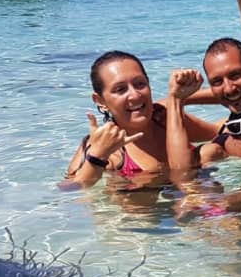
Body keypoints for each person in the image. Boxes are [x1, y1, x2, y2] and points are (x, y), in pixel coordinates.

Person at [63, 51, 213, 186]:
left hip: (196, 200)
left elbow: (220, 132)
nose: (135, 95)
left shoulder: (165, 117)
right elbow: (70, 189)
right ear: (100, 101)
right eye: (120, 89)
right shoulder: (105, 146)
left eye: (140, 84)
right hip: (144, 214)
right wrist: (98, 156)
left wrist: (227, 91)